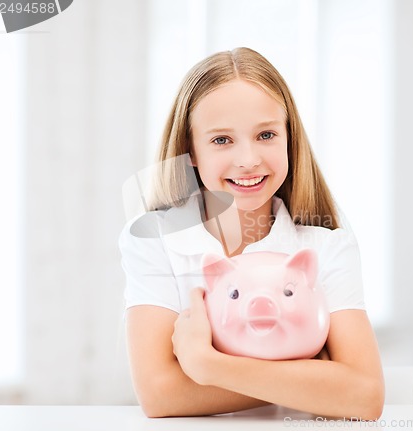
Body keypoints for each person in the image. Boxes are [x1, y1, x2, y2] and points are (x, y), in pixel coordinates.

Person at [119, 47, 384, 419]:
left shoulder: (326, 241)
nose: (248, 160)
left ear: (289, 138)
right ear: (189, 150)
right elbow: (160, 395)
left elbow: (364, 396)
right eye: (221, 140)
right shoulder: (152, 239)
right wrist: (312, 373)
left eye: (266, 135)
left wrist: (206, 365)